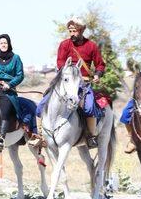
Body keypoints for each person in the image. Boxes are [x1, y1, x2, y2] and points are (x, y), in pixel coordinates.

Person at [31, 17, 105, 149]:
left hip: (83, 84)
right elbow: (59, 62)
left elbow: (100, 65)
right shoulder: (64, 44)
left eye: (74, 31)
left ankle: (91, 136)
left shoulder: (91, 46)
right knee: (41, 105)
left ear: (81, 30)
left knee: (89, 107)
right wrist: (66, 69)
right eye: (70, 31)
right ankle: (40, 136)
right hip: (64, 83)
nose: (72, 34)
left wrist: (98, 75)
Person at [0, 34, 26, 151]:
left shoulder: (16, 58)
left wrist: (9, 84)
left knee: (5, 108)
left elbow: (20, 75)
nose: (3, 45)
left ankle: (1, 138)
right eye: (1, 43)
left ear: (9, 44)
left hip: (7, 90)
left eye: (5, 43)